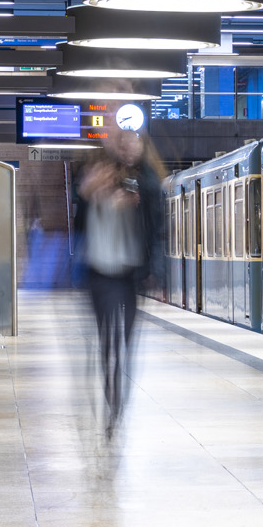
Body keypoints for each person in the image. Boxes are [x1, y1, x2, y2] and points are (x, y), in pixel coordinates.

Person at [75, 129, 165, 436]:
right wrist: (88, 193)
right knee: (106, 342)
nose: (127, 150)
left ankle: (116, 401)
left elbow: (157, 225)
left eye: (133, 144)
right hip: (98, 274)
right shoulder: (94, 182)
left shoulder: (146, 185)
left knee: (124, 343)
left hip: (128, 275)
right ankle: (111, 395)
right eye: (122, 145)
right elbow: (78, 223)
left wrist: (155, 272)